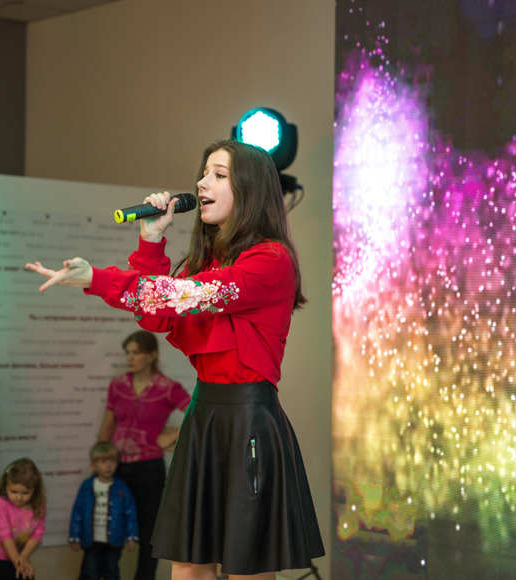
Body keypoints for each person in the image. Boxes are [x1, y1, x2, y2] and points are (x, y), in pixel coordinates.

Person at [27, 140, 325, 579]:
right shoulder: (208, 259)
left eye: (218, 175)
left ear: (250, 189)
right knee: (186, 563)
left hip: (248, 420)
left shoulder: (270, 259)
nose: (202, 183)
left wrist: (96, 278)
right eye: (204, 173)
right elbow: (157, 315)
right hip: (203, 417)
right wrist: (151, 241)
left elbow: (183, 296)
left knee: (247, 566)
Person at [97, 330, 189, 580]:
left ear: (152, 355)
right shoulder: (118, 384)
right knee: (111, 528)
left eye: (136, 352)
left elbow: (197, 416)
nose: (130, 357)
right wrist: (99, 459)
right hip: (117, 466)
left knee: (149, 533)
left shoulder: (167, 388)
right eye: (128, 353)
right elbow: (108, 423)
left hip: (148, 470)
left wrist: (171, 435)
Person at [68, 442, 138, 580]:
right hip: (92, 540)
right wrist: (74, 536)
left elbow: (130, 514)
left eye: (112, 461)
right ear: (93, 465)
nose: (108, 465)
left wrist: (132, 536)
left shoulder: (121, 487)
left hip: (113, 540)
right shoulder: (87, 486)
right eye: (103, 461)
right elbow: (78, 512)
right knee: (90, 572)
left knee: (111, 572)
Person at [0, 458, 47, 580]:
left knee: (28, 576)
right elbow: (5, 536)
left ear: (35, 490)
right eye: (13, 491)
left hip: (17, 558)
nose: (18, 497)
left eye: (25, 493)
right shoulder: (0, 504)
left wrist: (24, 556)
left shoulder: (38, 507)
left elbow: (37, 534)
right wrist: (19, 562)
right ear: (5, 486)